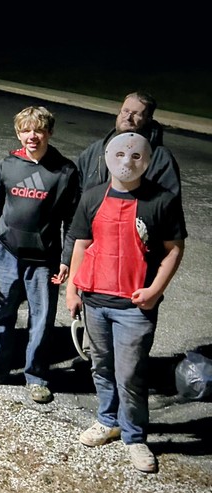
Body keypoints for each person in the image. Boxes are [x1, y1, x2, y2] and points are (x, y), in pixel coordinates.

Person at [66, 132, 186, 473]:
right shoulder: (92, 197)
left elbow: (174, 250)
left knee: (130, 374)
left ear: (146, 160)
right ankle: (108, 420)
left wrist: (155, 291)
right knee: (101, 366)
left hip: (135, 306)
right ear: (108, 156)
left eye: (136, 156)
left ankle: (135, 437)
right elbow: (80, 244)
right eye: (120, 154)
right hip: (96, 300)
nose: (127, 162)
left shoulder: (161, 200)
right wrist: (73, 290)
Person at [0, 106, 80, 403]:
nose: (32, 136)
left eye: (38, 130)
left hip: (44, 261)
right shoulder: (8, 166)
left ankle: (36, 376)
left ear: (49, 132)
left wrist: (67, 260)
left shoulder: (65, 171)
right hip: (6, 253)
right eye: (26, 130)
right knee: (0, 315)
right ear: (19, 133)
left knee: (41, 321)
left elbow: (73, 223)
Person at [76, 92, 181, 198]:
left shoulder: (160, 159)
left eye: (136, 114)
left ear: (148, 119)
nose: (128, 117)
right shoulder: (94, 151)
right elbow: (76, 193)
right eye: (125, 111)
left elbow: (170, 204)